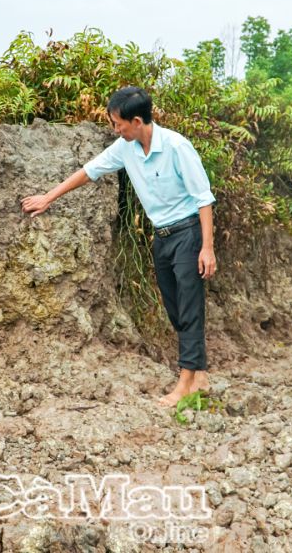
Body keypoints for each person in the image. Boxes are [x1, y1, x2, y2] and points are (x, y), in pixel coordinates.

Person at [20, 86, 217, 407]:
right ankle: (200, 374)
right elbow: (89, 171)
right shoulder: (126, 148)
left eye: (117, 123)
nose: (114, 129)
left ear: (136, 121)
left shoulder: (177, 147)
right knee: (176, 308)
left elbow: (204, 199)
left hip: (189, 234)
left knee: (190, 308)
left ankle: (185, 384)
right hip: (162, 237)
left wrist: (206, 248)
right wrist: (48, 197)